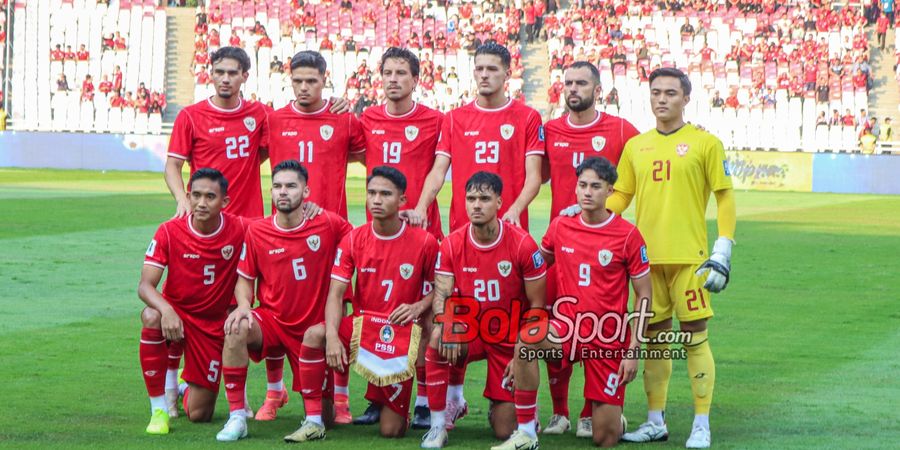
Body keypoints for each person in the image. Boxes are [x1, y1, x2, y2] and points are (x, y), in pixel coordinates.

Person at [414, 43, 545, 418]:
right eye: (479, 68)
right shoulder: (454, 119)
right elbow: (439, 171)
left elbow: (534, 177)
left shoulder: (526, 117)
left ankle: (521, 397)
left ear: (508, 72)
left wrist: (515, 212)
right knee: (448, 320)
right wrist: (423, 205)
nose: (484, 74)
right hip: (462, 239)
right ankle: (451, 401)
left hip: (507, 239)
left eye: (492, 68)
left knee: (515, 316)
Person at [614, 68, 736, 449]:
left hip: (690, 261)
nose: (662, 99)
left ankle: (702, 423)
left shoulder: (706, 143)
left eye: (670, 92)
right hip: (647, 262)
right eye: (656, 92)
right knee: (655, 341)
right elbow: (621, 195)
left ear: (686, 98)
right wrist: (591, 214)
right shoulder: (636, 146)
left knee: (695, 339)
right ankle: (655, 420)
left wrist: (724, 248)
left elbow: (724, 195)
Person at [496, 156, 652, 450]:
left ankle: (612, 417)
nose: (588, 192)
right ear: (575, 189)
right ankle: (527, 434)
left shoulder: (628, 235)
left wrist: (634, 351)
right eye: (582, 185)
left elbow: (644, 294)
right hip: (566, 328)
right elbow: (537, 271)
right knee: (527, 342)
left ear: (610, 191)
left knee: (604, 438)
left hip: (608, 336)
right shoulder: (561, 227)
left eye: (596, 186)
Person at [293, 166, 439, 442]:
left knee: (391, 431)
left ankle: (417, 403)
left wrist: (418, 307)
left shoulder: (425, 242)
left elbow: (442, 289)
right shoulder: (353, 239)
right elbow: (336, 294)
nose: (376, 200)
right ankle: (313, 421)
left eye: (385, 194)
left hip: (400, 334)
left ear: (403, 200)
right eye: (371, 193)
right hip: (362, 329)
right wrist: (334, 336)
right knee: (316, 334)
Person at [214, 160, 352, 442]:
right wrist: (243, 305)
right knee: (235, 327)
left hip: (313, 330)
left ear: (306, 191)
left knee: (326, 419)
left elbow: (361, 240)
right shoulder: (257, 231)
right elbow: (244, 279)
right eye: (277, 186)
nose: (283, 192)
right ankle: (237, 416)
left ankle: (329, 403)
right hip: (273, 321)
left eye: (291, 186)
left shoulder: (327, 223)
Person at [541, 61, 639, 438]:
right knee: (554, 327)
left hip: (601, 246)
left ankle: (588, 412)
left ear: (598, 89)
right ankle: (559, 412)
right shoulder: (550, 130)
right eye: (568, 82)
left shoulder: (619, 128)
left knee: (597, 329)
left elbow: (639, 167)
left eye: (581, 82)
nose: (573, 88)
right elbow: (535, 174)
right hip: (559, 244)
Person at [420, 172, 546, 448]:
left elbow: (538, 305)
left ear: (499, 202)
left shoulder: (523, 244)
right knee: (438, 336)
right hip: (471, 330)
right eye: (471, 198)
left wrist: (523, 352)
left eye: (485, 198)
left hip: (509, 336)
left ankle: (511, 404)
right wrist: (446, 323)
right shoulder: (452, 243)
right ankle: (439, 423)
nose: (476, 205)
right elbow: (442, 294)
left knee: (504, 429)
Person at [138, 169, 248, 434]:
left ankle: (186, 386)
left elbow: (277, 225)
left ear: (225, 201)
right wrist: (167, 309)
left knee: (200, 415)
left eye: (210, 196)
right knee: (150, 316)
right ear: (188, 197)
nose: (201, 203)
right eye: (196, 195)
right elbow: (145, 285)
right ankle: (159, 410)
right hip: (175, 314)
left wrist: (309, 208)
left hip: (211, 326)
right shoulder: (169, 230)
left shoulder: (240, 228)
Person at [166, 47, 271, 220]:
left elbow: (294, 120)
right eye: (219, 72)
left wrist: (332, 105)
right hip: (206, 220)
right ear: (211, 74)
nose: (225, 79)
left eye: (232, 73)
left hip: (248, 221)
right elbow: (172, 165)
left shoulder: (261, 114)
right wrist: (181, 198)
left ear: (245, 76)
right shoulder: (190, 116)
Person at [266, 51, 366, 221]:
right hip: (285, 223)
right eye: (298, 81)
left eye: (311, 81)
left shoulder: (344, 120)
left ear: (324, 81)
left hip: (331, 222)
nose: (303, 87)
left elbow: (366, 157)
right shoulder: (273, 120)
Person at [361, 47, 446, 244]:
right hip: (378, 227)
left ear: (415, 80)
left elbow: (440, 169)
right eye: (387, 73)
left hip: (422, 225)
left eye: (400, 73)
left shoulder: (435, 121)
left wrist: (422, 207)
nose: (393, 79)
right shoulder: (368, 118)